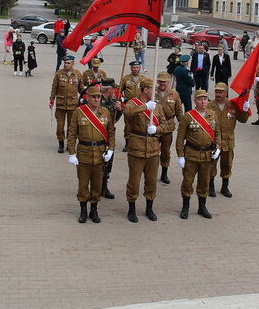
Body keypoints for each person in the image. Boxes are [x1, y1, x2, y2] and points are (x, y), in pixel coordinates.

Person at [67, 86, 115, 224]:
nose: (96, 99)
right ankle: (83, 210)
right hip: (84, 153)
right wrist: (72, 153)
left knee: (97, 185)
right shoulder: (79, 112)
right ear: (87, 98)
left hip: (100, 154)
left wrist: (110, 149)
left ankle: (94, 210)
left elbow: (111, 133)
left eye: (98, 97)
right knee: (83, 184)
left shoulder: (105, 112)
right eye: (93, 97)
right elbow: (71, 133)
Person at [123, 78, 165, 223]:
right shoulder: (133, 103)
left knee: (151, 181)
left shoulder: (157, 106)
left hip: (153, 148)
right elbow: (128, 113)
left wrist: (157, 129)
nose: (156, 92)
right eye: (153, 89)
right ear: (145, 90)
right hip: (137, 147)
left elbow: (166, 125)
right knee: (134, 181)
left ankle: (149, 208)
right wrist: (145, 107)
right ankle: (132, 208)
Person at [176, 90, 221, 219]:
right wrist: (180, 155)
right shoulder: (188, 116)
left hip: (207, 155)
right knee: (187, 182)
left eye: (205, 99)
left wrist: (218, 147)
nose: (203, 102)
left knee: (204, 182)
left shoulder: (212, 115)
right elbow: (180, 138)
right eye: (200, 99)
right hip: (191, 154)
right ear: (195, 101)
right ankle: (185, 207)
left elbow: (217, 133)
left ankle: (202, 207)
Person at [208, 83, 249, 198]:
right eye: (216, 92)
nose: (218, 94)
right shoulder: (209, 106)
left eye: (221, 92)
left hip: (228, 141)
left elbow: (243, 120)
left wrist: (245, 109)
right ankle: (210, 186)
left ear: (226, 93)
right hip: (213, 141)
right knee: (211, 164)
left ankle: (224, 187)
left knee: (227, 164)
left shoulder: (232, 105)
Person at [154, 71, 182, 186]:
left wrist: (183, 123)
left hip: (168, 127)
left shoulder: (174, 94)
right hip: (154, 126)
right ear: (157, 81)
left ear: (168, 82)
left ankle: (164, 173)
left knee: (165, 151)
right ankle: (152, 172)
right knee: (153, 151)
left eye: (164, 82)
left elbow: (179, 110)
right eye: (160, 81)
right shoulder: (152, 93)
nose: (162, 84)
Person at [50, 56, 82, 153]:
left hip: (73, 105)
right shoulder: (59, 74)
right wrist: (52, 100)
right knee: (60, 126)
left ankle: (70, 144)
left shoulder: (77, 74)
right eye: (65, 63)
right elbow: (54, 87)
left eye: (68, 63)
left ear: (72, 64)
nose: (66, 65)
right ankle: (61, 144)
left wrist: (85, 99)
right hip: (61, 104)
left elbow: (81, 89)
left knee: (71, 127)